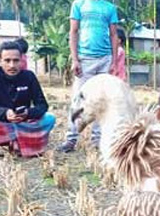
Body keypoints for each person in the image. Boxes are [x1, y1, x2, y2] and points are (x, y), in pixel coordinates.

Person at [0, 41, 55, 161]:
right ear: (0, 60)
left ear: (22, 60)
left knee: (49, 118)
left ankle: (17, 141)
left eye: (16, 60)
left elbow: (42, 105)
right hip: (1, 121)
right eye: (7, 60)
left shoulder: (29, 76)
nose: (12, 65)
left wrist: (27, 113)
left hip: (23, 122)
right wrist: (5, 112)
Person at [58, 0, 119, 153]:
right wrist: (75, 59)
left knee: (101, 101)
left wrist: (114, 62)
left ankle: (97, 140)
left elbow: (113, 34)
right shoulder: (78, 5)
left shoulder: (110, 8)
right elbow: (73, 31)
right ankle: (70, 139)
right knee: (78, 100)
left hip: (105, 60)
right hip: (84, 60)